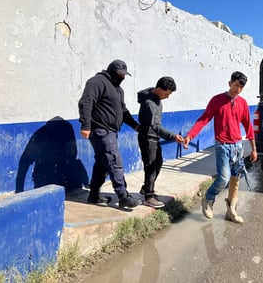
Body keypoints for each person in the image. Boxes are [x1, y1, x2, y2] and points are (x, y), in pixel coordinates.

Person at [183, 71, 257, 223]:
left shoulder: (242, 103)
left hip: (238, 146)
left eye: (241, 87)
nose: (238, 89)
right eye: (236, 85)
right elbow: (204, 119)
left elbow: (248, 127)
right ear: (229, 83)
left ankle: (231, 211)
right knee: (224, 178)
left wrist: (253, 148)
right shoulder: (217, 100)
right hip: (222, 145)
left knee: (236, 179)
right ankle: (208, 199)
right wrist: (190, 135)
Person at [78, 59, 142, 208]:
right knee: (114, 160)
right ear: (112, 71)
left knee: (102, 163)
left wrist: (134, 125)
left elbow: (123, 111)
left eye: (125, 75)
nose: (123, 77)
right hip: (100, 130)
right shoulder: (97, 82)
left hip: (111, 131)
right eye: (120, 74)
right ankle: (123, 196)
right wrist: (85, 125)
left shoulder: (118, 90)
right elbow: (86, 102)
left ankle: (93, 195)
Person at [137, 76, 184, 208]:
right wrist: (173, 136)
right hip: (148, 138)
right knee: (150, 166)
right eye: (166, 93)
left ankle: (146, 188)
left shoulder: (157, 100)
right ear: (158, 89)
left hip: (154, 137)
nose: (167, 97)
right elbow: (155, 126)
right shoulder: (149, 104)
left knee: (158, 163)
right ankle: (149, 197)